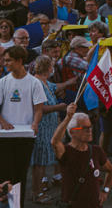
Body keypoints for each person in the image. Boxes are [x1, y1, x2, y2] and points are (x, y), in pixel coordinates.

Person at [0, 45, 45, 205]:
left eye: (8, 60)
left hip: (25, 135)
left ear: (19, 61)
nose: (5, 63)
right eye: (4, 60)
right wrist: (3, 121)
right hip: (5, 137)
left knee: (20, 173)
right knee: (5, 173)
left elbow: (38, 108)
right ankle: (6, 203)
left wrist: (35, 123)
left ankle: (16, 204)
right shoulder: (3, 82)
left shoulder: (34, 83)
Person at [50, 103, 112, 208]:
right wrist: (68, 117)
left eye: (90, 127)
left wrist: (105, 191)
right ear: (72, 132)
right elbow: (55, 141)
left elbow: (111, 170)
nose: (89, 130)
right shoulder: (66, 151)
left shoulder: (96, 150)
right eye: (85, 128)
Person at [29, 55, 64, 204]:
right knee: (40, 162)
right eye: (52, 65)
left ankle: (38, 191)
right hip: (41, 128)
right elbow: (40, 108)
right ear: (48, 68)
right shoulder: (37, 83)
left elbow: (57, 87)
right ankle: (37, 193)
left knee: (42, 162)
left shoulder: (45, 82)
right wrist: (59, 107)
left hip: (48, 128)